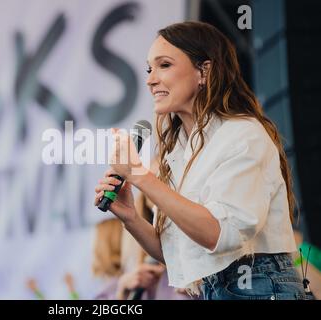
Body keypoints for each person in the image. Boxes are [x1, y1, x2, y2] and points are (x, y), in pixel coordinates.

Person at [94, 21, 313, 300]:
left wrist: (139, 175)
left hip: (260, 287)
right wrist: (131, 218)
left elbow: (219, 235)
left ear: (204, 71)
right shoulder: (179, 152)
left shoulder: (243, 134)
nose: (150, 79)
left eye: (164, 65)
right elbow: (180, 252)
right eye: (149, 69)